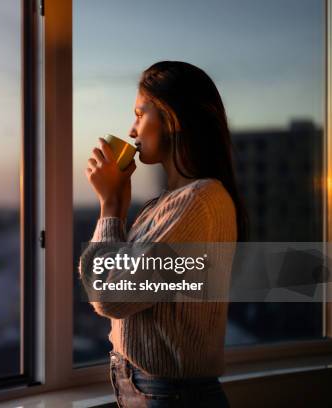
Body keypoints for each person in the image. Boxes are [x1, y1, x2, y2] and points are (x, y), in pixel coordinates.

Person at [80, 61, 249, 407]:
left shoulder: (198, 202)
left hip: (172, 395)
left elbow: (111, 295)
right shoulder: (169, 204)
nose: (131, 130)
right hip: (157, 391)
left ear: (172, 119)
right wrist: (117, 206)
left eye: (140, 115)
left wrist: (110, 208)